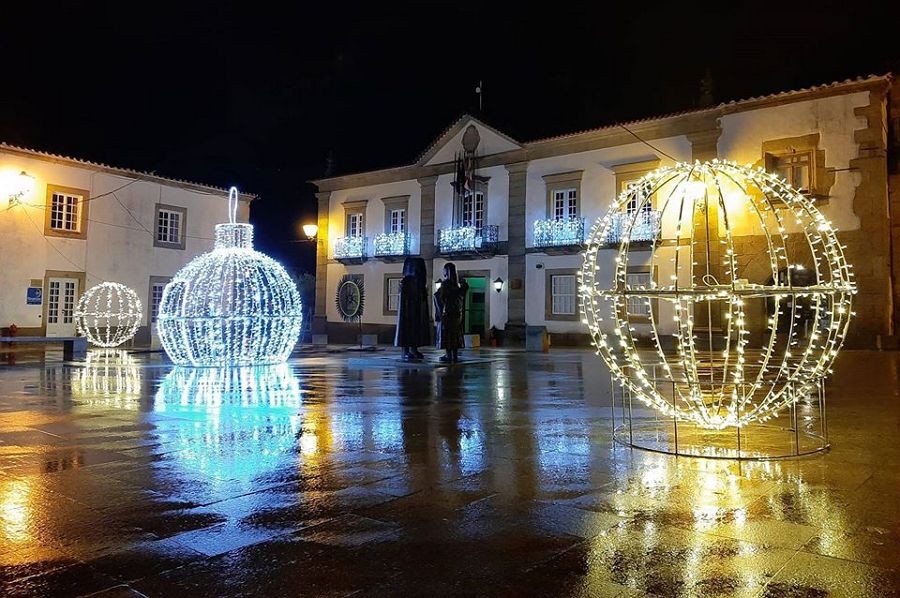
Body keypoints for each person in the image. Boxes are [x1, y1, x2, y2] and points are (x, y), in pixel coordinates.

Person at [394, 257, 431, 361]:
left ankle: (414, 348)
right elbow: (404, 301)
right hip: (408, 313)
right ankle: (406, 350)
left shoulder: (419, 284)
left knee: (415, 329)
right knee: (407, 329)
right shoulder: (406, 283)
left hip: (416, 312)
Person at [433, 262, 469, 363]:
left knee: (448, 336)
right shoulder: (458, 286)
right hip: (457, 315)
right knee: (455, 335)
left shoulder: (445, 285)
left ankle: (448, 355)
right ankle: (454, 355)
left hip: (447, 315)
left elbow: (439, 297)